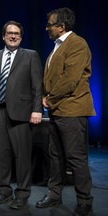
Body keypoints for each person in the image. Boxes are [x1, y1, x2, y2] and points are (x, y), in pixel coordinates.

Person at [35, 7, 96, 216]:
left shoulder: (77, 44)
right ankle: (54, 194)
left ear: (62, 26)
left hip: (72, 109)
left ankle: (84, 202)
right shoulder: (57, 46)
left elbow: (70, 79)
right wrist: (47, 97)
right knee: (55, 155)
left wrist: (49, 98)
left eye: (50, 24)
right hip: (57, 110)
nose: (47, 28)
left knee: (75, 157)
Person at [0, 20, 43, 210]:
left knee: (22, 156)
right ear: (3, 36)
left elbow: (37, 85)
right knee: (0, 155)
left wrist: (37, 109)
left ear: (21, 37)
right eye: (10, 33)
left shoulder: (30, 56)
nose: (13, 36)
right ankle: (4, 190)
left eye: (17, 33)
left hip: (22, 113)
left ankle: (22, 193)